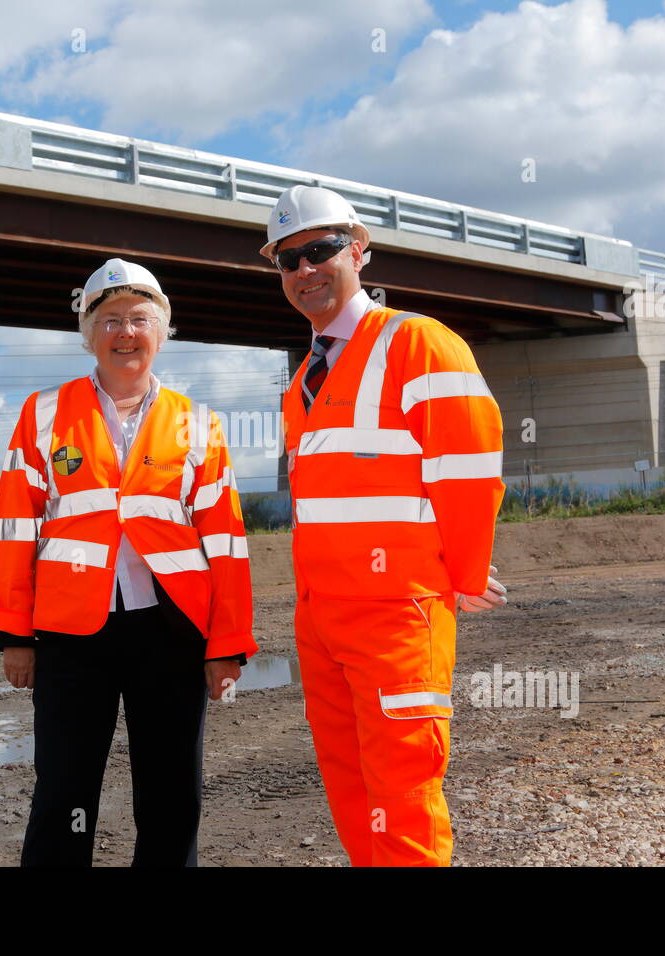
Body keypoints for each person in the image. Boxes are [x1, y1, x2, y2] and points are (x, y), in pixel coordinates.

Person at [262, 185, 509, 867]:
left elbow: (469, 465)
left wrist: (461, 570)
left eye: (321, 250)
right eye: (289, 260)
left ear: (359, 250)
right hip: (321, 619)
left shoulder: (418, 343)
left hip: (397, 616)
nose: (306, 270)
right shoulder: (302, 384)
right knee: (353, 795)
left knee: (402, 799)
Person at [0, 257, 256, 867]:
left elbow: (227, 542)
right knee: (62, 793)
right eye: (109, 320)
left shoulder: (198, 423)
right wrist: (14, 634)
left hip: (172, 631)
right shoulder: (43, 415)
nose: (125, 333)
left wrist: (226, 642)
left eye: (139, 319)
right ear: (88, 333)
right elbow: (11, 529)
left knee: (171, 793)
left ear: (162, 331)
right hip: (70, 635)